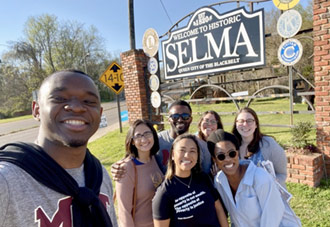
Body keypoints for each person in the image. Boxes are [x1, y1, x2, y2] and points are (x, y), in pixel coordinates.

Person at [0, 70, 118, 227]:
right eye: (60, 99)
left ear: (100, 113)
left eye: (89, 101)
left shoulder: (99, 175)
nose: (76, 108)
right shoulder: (7, 181)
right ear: (36, 110)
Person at [207, 129, 301, 227]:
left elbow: (273, 218)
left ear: (238, 153)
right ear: (214, 159)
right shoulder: (219, 181)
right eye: (221, 156)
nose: (228, 159)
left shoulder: (260, 177)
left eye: (232, 153)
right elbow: (236, 219)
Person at [111, 100, 212, 180]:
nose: (180, 120)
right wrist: (119, 166)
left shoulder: (201, 146)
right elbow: (136, 156)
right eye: (175, 116)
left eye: (185, 116)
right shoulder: (156, 141)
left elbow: (208, 177)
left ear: (191, 119)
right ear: (168, 119)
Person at [152, 134, 228, 227]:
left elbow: (219, 209)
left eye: (192, 151)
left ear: (197, 156)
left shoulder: (203, 178)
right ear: (172, 155)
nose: (187, 155)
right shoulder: (164, 193)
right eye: (182, 150)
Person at [115, 119, 164, 227]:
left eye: (147, 133)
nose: (144, 139)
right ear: (132, 141)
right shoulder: (126, 169)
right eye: (138, 136)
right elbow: (124, 212)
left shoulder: (154, 159)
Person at [232, 107, 287, 188]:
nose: (245, 124)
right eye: (241, 121)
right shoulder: (231, 145)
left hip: (267, 196)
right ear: (236, 125)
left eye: (249, 121)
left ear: (256, 124)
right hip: (241, 198)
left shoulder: (268, 144)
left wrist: (272, 183)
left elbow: (281, 174)